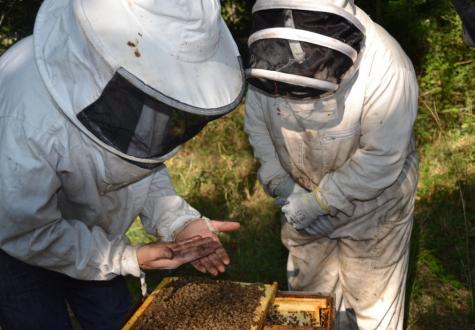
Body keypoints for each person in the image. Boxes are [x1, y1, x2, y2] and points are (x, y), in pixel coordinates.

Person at [0, 0, 245, 329]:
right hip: (13, 242)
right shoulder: (25, 114)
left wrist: (178, 222)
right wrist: (127, 258)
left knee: (115, 320)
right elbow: (23, 228)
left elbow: (139, 163)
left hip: (96, 232)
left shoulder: (137, 79)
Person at [244, 0, 418, 329]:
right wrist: (284, 187)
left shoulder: (388, 66)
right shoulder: (272, 53)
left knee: (372, 305)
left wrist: (322, 202)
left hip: (375, 206)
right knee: (308, 300)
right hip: (300, 194)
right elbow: (258, 127)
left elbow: (382, 157)